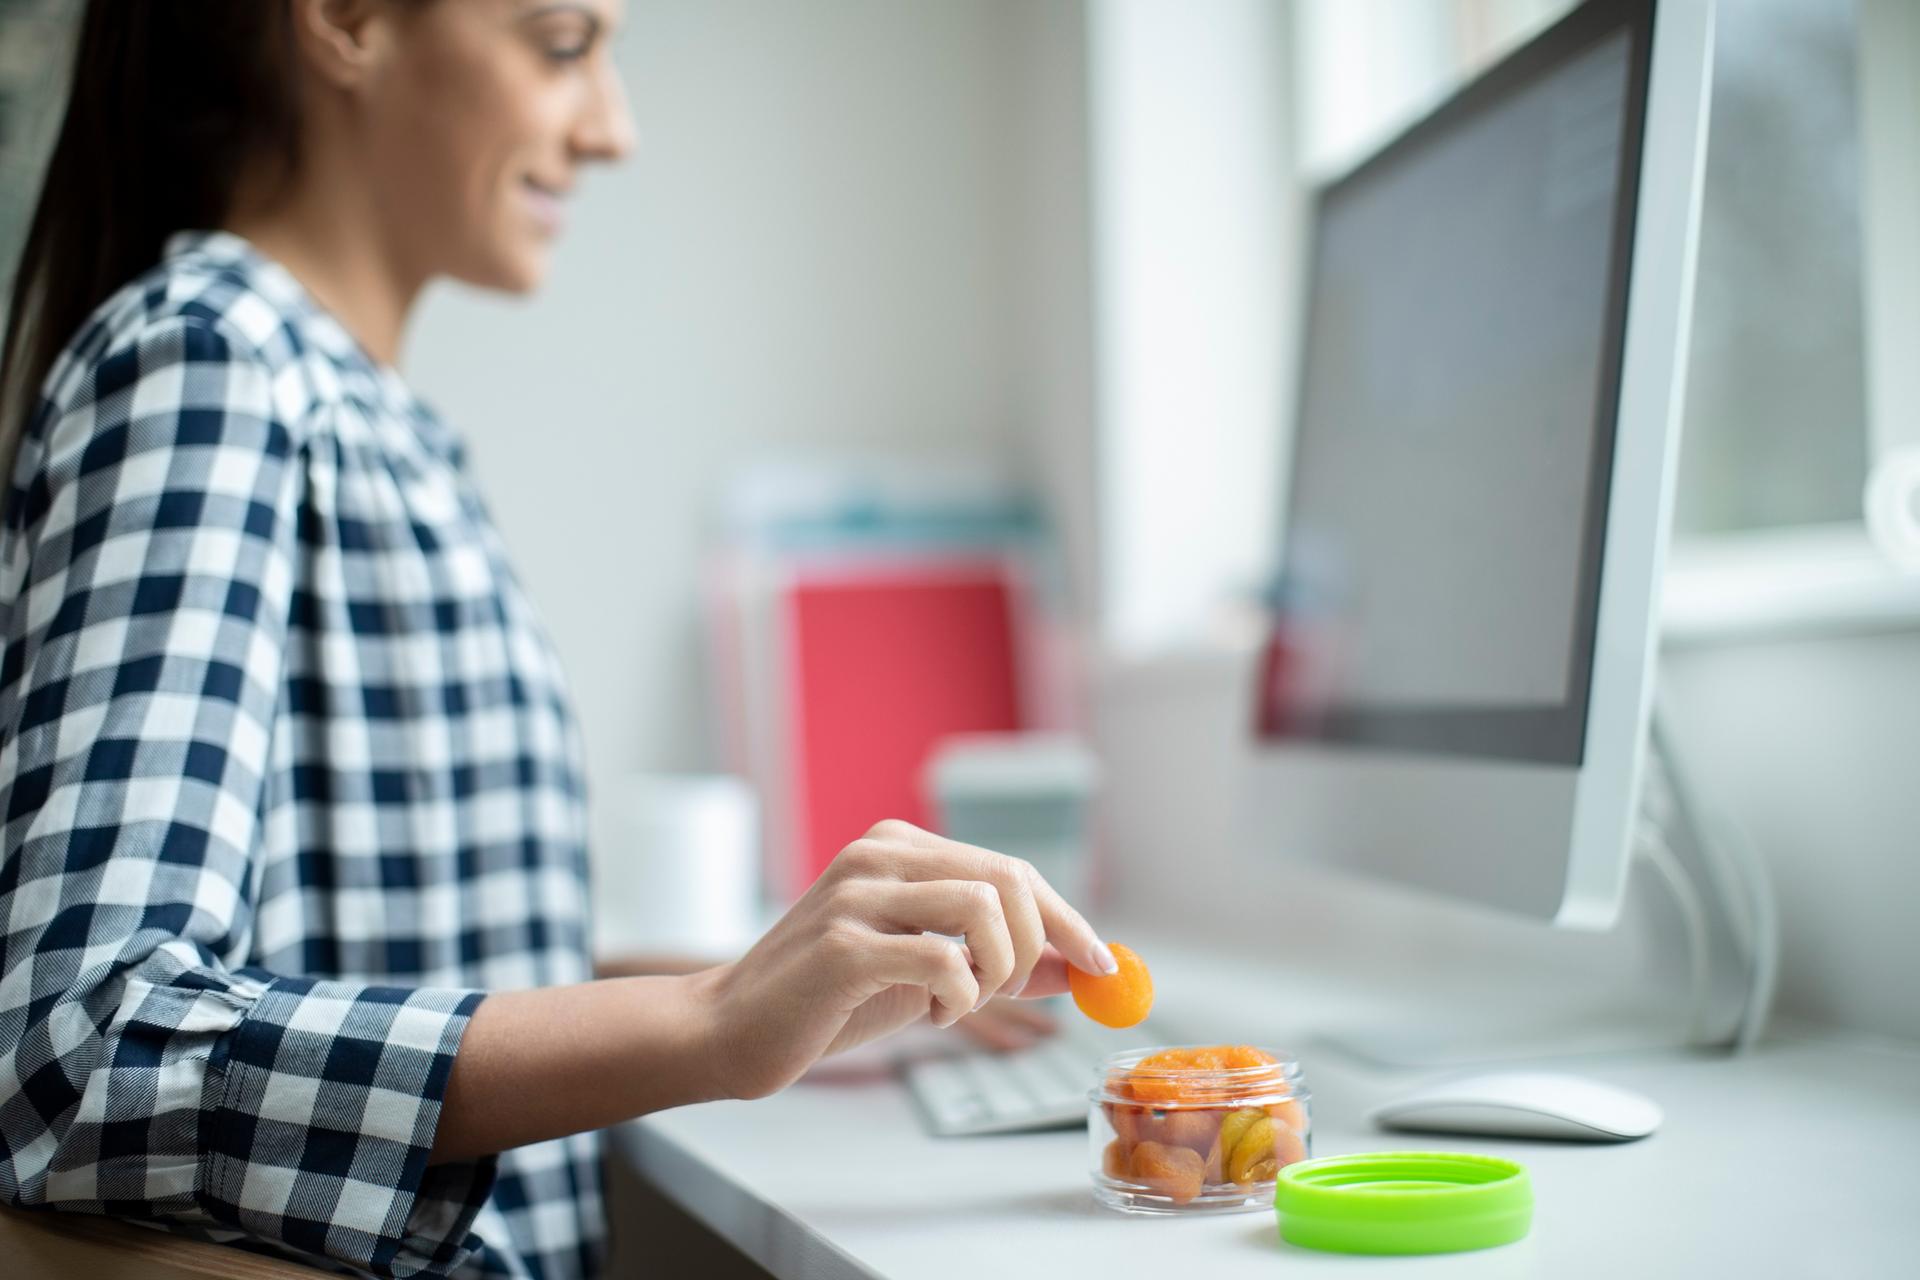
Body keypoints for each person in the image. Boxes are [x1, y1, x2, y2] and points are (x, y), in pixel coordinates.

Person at [0, 3, 1110, 1277]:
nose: (613, 130)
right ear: (347, 21)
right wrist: (708, 1017)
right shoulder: (208, 372)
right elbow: (79, 1048)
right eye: (563, 43)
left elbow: (385, 948)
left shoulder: (360, 418)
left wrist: (794, 977)